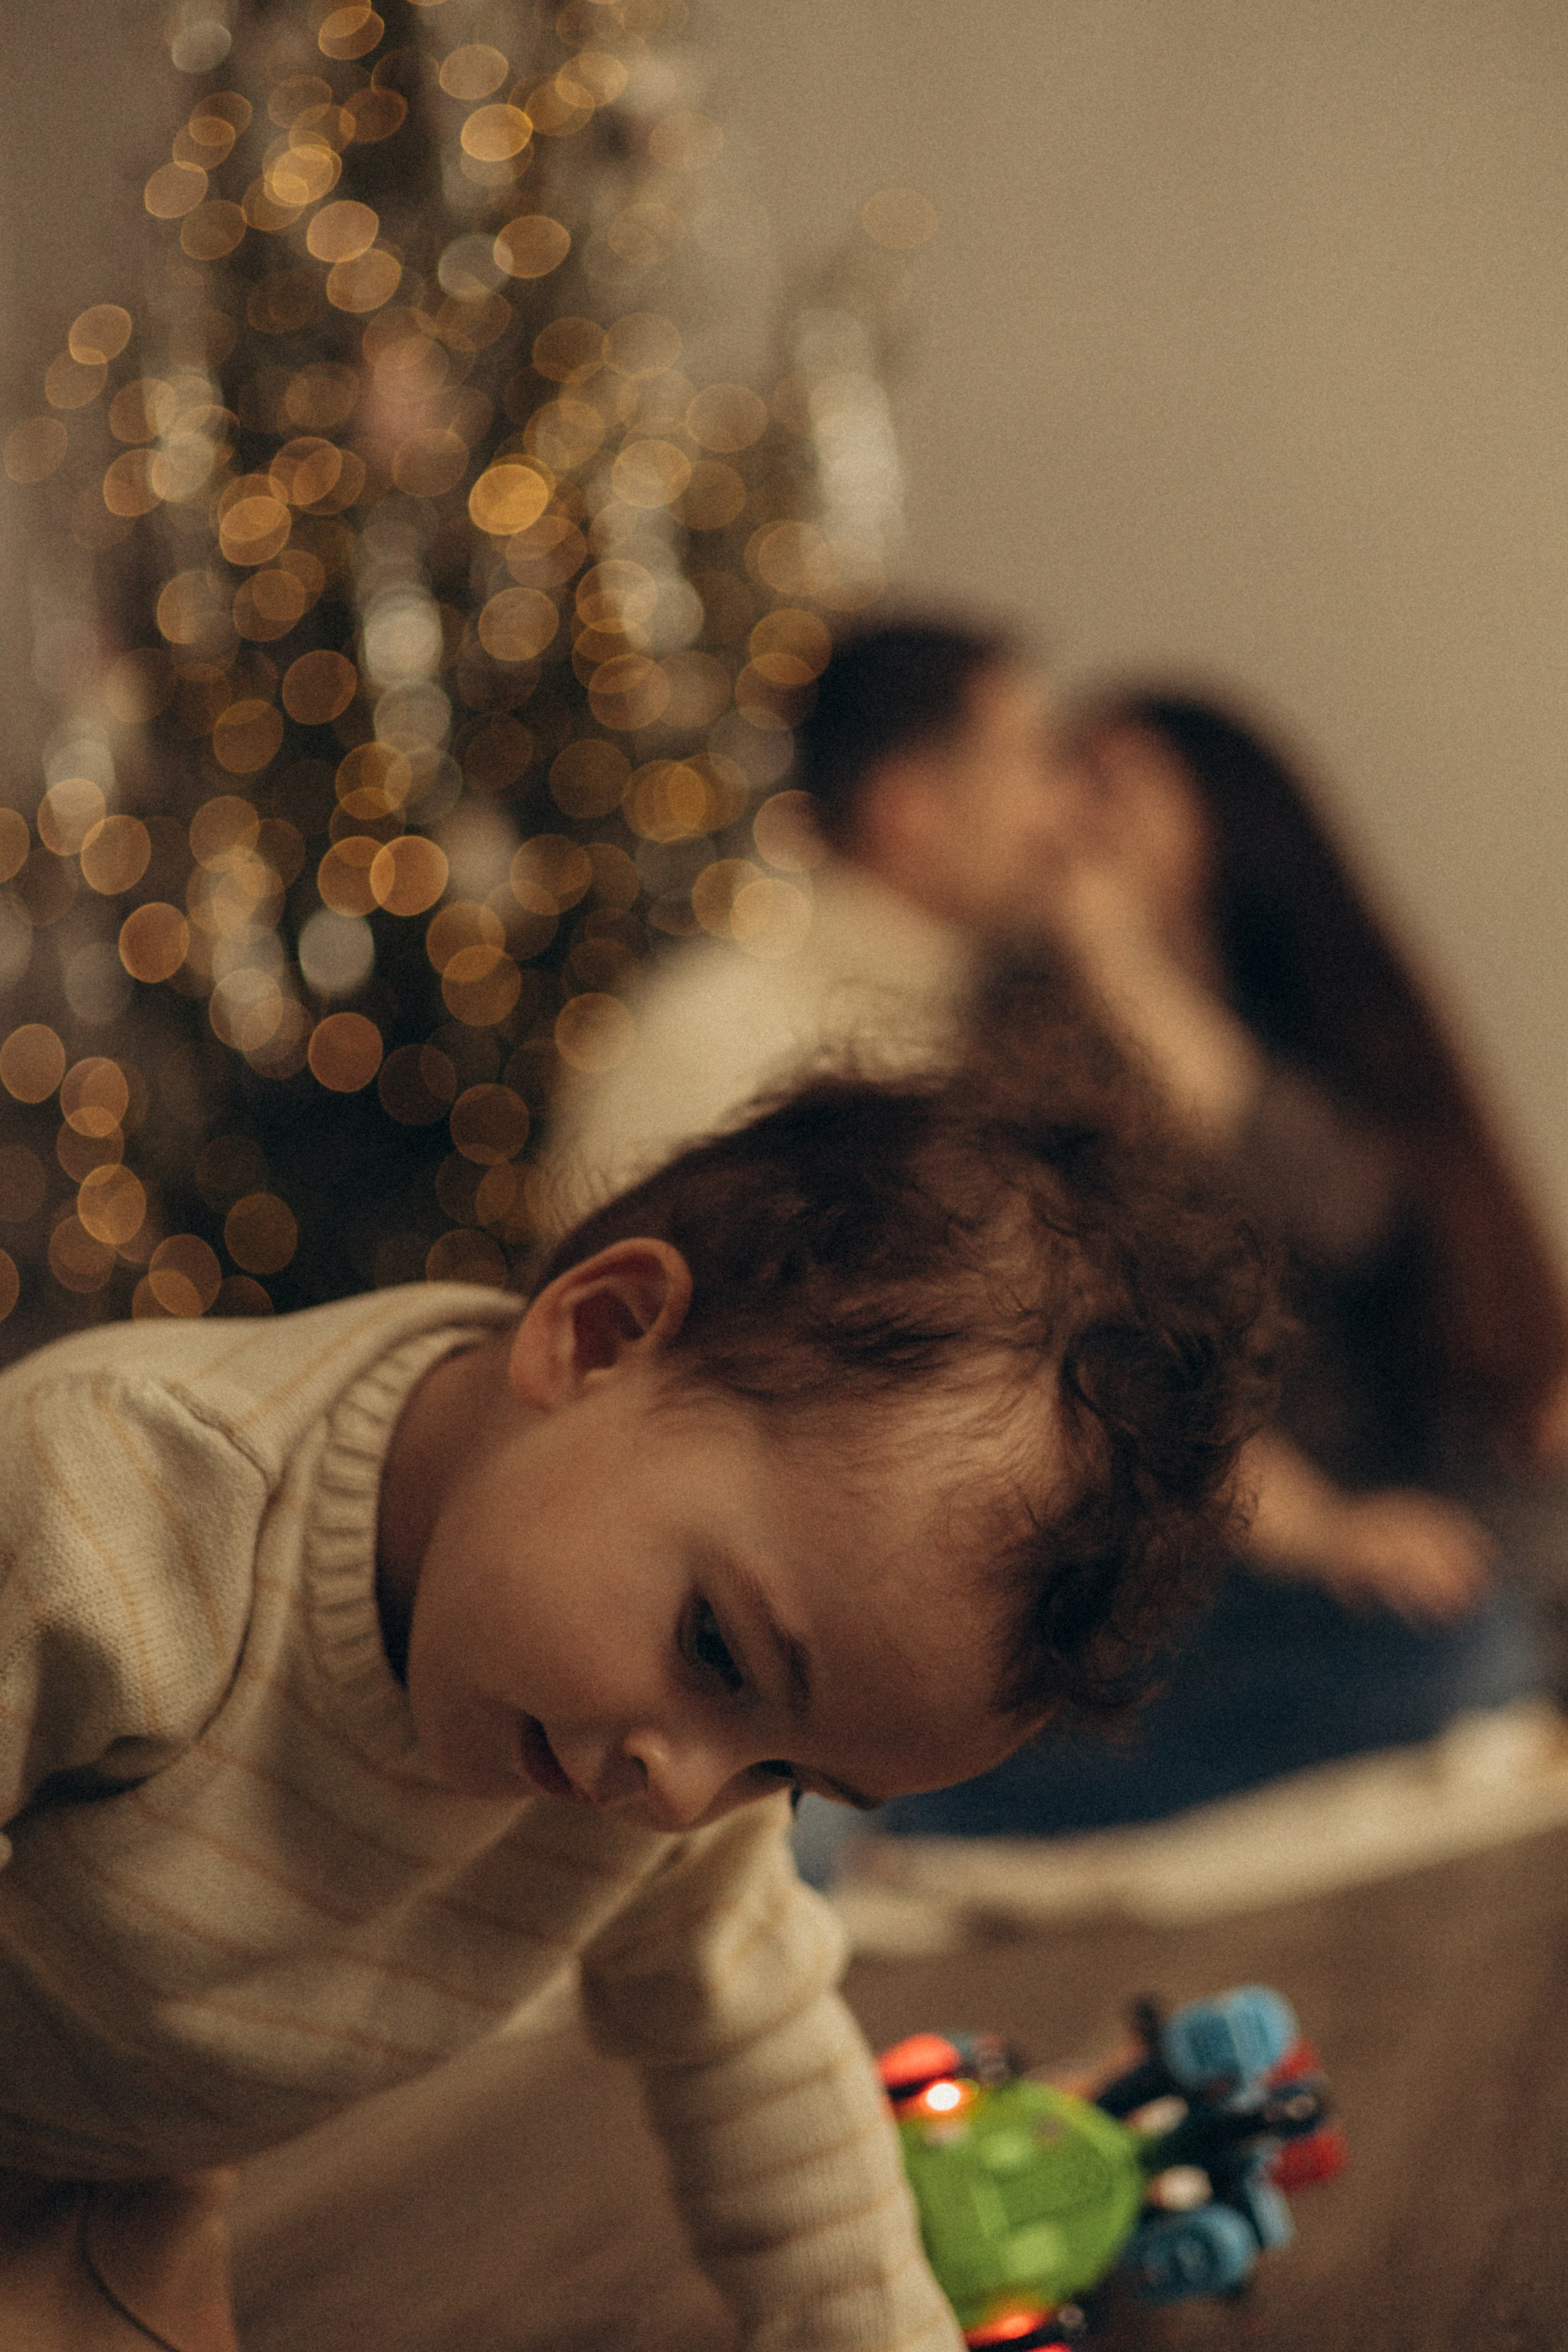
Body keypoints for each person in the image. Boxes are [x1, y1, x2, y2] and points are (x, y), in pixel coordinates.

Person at [0, 1065, 1273, 2351]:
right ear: (598, 1337)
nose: (680, 1797)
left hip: (107, 2198)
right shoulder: (114, 1496)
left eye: (787, 1779)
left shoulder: (667, 1769)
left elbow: (768, 2072)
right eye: (715, 1648)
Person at [875, 687, 1568, 1841]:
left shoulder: (1305, 1012)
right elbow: (1113, 1356)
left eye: (1109, 780)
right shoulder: (1023, 1034)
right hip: (1207, 1534)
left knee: (1525, 1567)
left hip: (1399, 1485)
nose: (1066, 813)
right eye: (1057, 776)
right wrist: (1325, 1533)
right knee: (1464, 1653)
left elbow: (1355, 1215)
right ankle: (938, 1808)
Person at [548, 618, 1078, 1211]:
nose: (1063, 814)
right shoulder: (714, 1031)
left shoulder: (995, 1019)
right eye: (1034, 762)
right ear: (909, 808)